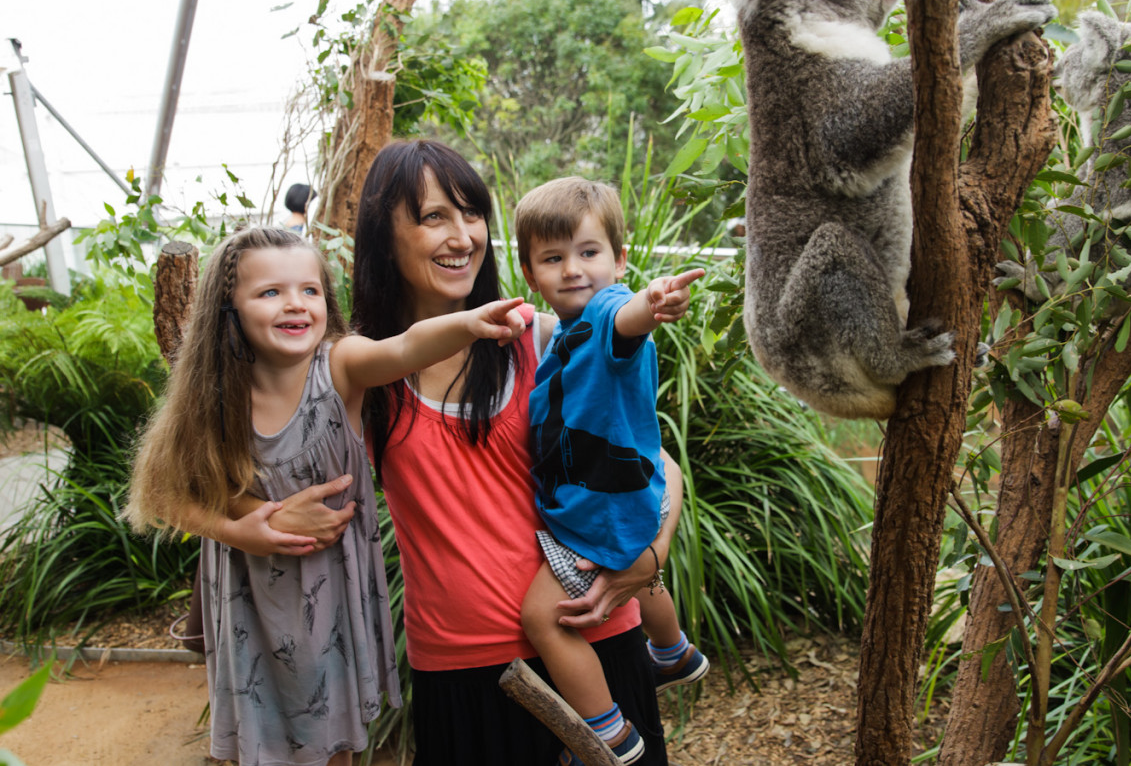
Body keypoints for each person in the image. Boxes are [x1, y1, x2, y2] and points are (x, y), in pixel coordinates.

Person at [124, 225, 526, 766]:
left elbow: (404, 348)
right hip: (250, 599)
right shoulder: (215, 392)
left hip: (329, 595)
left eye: (309, 290)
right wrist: (242, 529)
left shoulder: (339, 365)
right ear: (229, 306)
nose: (295, 305)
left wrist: (468, 324)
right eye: (270, 292)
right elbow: (163, 494)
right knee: (260, 742)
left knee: (331, 742)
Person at [340, 139, 683, 765]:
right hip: (464, 665)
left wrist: (649, 558)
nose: (463, 236)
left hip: (592, 633)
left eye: (472, 214)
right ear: (383, 234)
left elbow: (658, 465)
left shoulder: (546, 339)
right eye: (434, 216)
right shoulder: (364, 371)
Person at [514, 178, 708, 765]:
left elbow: (625, 321)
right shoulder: (564, 332)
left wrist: (650, 304)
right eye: (553, 258)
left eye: (589, 252)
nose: (573, 269)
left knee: (543, 620)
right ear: (530, 273)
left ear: (619, 261)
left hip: (599, 509)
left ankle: (609, 731)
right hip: (623, 492)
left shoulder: (603, 315)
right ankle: (672, 651)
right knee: (643, 579)